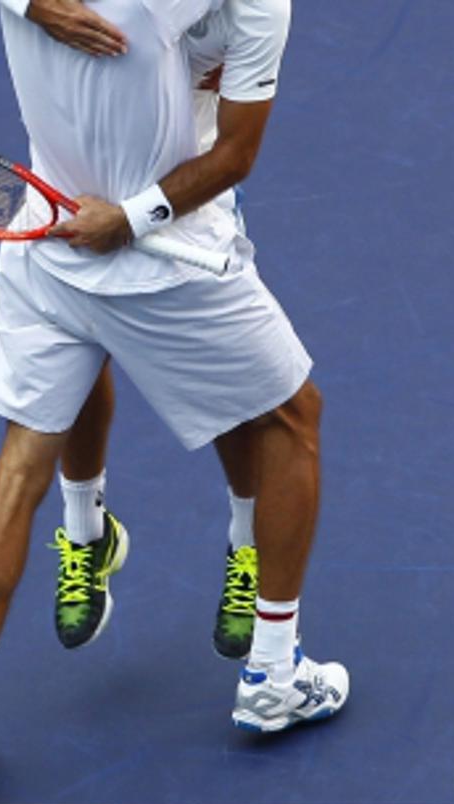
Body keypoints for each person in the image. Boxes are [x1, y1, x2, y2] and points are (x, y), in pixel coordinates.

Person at [0, 0, 347, 783]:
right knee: (289, 417)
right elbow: (235, 155)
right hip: (163, 259)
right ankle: (273, 674)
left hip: (48, 242)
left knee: (19, 466)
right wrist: (128, 218)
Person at [35, 0, 298, 662]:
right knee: (79, 351)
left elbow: (236, 153)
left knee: (246, 396)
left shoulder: (261, 8)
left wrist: (130, 218)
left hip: (184, 202)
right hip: (77, 168)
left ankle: (247, 546)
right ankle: (86, 531)